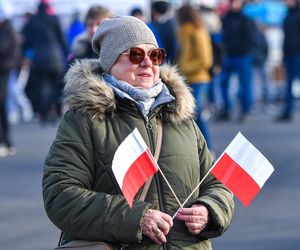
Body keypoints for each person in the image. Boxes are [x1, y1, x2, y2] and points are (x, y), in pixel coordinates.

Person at [42, 16, 234, 249]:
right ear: (111, 62)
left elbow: (217, 183)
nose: (147, 63)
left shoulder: (179, 115)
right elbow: (61, 196)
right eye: (134, 54)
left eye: (155, 55)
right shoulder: (85, 119)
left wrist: (209, 210)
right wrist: (137, 218)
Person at [22, 1, 67, 124]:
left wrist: (26, 55)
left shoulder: (33, 20)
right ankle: (53, 111)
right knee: (55, 86)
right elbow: (62, 39)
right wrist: (67, 54)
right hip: (55, 58)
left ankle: (43, 113)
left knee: (41, 86)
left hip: (39, 58)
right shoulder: (54, 19)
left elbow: (26, 41)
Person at [176, 5, 214, 150]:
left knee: (196, 116)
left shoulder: (197, 32)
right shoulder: (185, 32)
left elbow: (205, 60)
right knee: (191, 117)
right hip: (188, 79)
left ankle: (208, 151)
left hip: (198, 79)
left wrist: (183, 69)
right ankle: (199, 151)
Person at [217, 0, 256, 122]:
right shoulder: (226, 19)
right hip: (228, 56)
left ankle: (245, 110)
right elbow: (222, 36)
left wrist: (245, 50)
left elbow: (251, 38)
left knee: (245, 84)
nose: (233, 4)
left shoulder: (245, 19)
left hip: (242, 56)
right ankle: (227, 109)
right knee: (223, 83)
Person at [275, 0, 300, 122]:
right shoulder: (288, 15)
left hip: (297, 54)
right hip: (289, 54)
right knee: (288, 85)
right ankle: (288, 111)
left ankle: (288, 110)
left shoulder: (296, 15)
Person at [0, 7, 18, 157]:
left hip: (4, 72)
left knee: (2, 106)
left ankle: (5, 142)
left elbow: (3, 48)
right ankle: (6, 142)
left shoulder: (7, 29)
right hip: (5, 71)